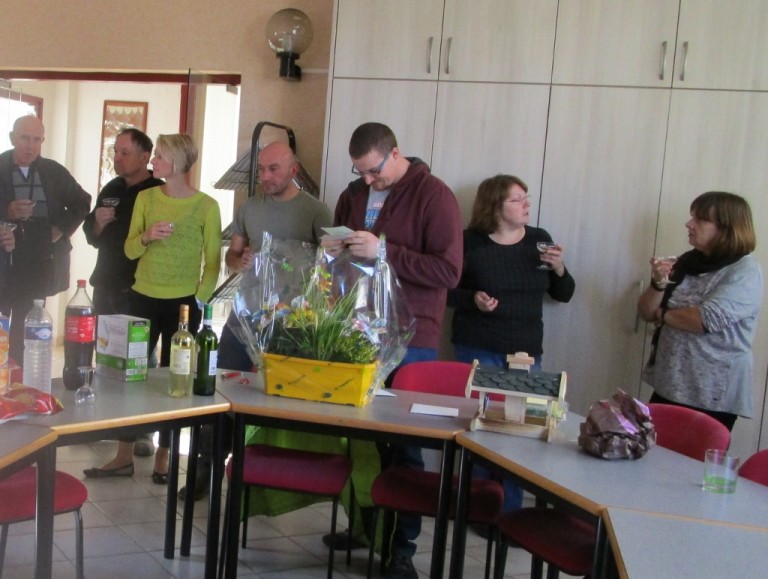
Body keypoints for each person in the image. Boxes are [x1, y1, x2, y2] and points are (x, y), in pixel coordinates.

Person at [322, 122, 463, 579]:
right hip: (356, 329)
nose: (367, 180)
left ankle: (402, 549)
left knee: (405, 446)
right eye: (359, 172)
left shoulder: (434, 196)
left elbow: (448, 272)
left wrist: (383, 251)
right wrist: (333, 250)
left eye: (373, 171)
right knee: (361, 440)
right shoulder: (353, 195)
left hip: (411, 336)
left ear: (395, 153)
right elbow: (345, 263)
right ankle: (366, 529)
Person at [178, 141, 332, 501]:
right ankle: (205, 469)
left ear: (293, 171)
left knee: (278, 400)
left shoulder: (316, 211)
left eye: (273, 169)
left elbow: (331, 266)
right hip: (245, 315)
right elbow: (232, 257)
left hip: (292, 323)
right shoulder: (249, 208)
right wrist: (240, 261)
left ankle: (264, 478)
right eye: (261, 169)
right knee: (219, 388)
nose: (265, 176)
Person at [84, 133, 221, 482]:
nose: (154, 161)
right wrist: (146, 237)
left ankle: (164, 457)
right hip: (141, 297)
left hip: (183, 306)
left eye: (159, 156)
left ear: (177, 162)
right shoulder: (146, 198)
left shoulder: (207, 206)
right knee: (129, 378)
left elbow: (213, 264)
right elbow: (129, 250)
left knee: (175, 381)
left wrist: (199, 300)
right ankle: (123, 456)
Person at [447, 174, 575, 524]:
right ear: (494, 206)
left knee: (520, 434)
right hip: (477, 346)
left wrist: (559, 268)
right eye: (517, 199)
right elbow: (446, 291)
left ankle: (509, 515)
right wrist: (473, 299)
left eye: (526, 197)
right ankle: (477, 509)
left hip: (525, 354)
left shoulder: (538, 240)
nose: (526, 204)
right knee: (480, 431)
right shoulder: (469, 242)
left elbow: (564, 293)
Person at [638, 191, 762, 432]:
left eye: (700, 219)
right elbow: (645, 312)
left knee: (693, 457)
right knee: (653, 451)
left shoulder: (744, 271)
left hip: (711, 393)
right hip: (670, 383)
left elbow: (704, 319)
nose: (689, 224)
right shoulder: (686, 262)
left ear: (727, 228)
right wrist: (658, 284)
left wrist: (663, 315)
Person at [82, 128, 164, 458]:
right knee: (106, 357)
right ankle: (107, 423)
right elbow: (92, 235)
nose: (117, 158)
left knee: (140, 361)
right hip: (105, 284)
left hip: (139, 288)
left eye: (124, 153)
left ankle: (143, 432)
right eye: (115, 152)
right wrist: (99, 223)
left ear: (145, 157)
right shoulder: (112, 188)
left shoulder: (158, 191)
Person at [0, 115, 91, 364]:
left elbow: (82, 201)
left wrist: (61, 228)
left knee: (26, 329)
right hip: (4, 261)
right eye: (25, 138)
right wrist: (7, 211)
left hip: (39, 262)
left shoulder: (53, 171)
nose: (30, 146)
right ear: (12, 138)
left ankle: (22, 378)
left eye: (37, 140)